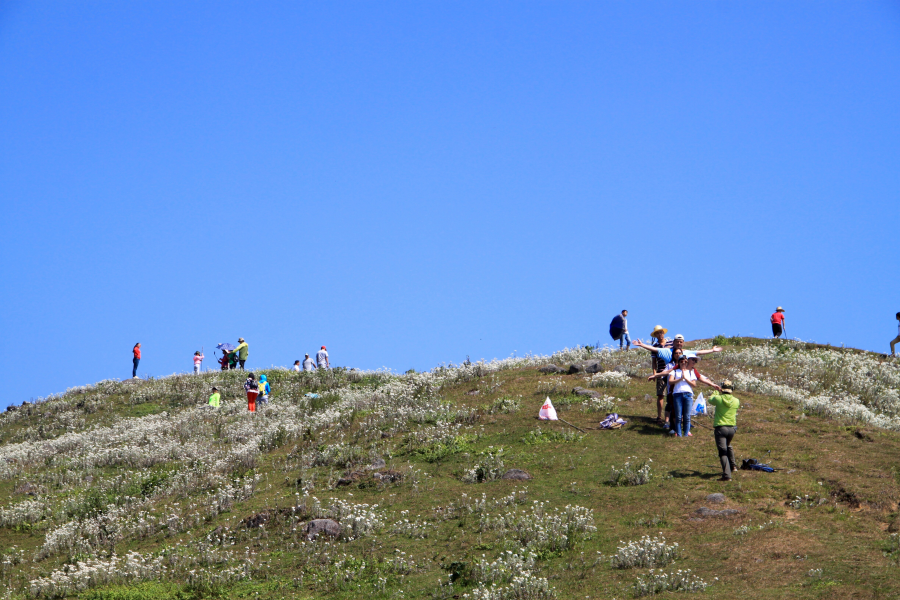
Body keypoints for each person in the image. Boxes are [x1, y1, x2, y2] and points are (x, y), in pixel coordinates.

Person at [668, 355, 721, 438]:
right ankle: (678, 434)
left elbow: (694, 384)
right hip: (677, 394)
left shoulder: (691, 372)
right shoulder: (675, 371)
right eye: (682, 361)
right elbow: (670, 381)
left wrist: (686, 379)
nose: (683, 363)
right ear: (679, 362)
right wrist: (680, 379)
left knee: (687, 416)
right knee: (678, 416)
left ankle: (686, 434)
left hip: (688, 394)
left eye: (685, 361)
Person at [707, 380, 740, 481]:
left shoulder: (718, 399)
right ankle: (733, 466)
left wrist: (716, 391)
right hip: (732, 429)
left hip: (720, 429)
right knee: (728, 446)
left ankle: (727, 475)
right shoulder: (736, 401)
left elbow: (710, 400)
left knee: (722, 452)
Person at [646, 325, 671, 424]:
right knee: (661, 394)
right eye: (658, 333)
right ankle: (659, 417)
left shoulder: (670, 343)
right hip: (660, 372)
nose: (660, 334)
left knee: (672, 395)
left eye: (661, 332)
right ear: (655, 335)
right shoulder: (655, 347)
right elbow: (654, 361)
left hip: (670, 371)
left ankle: (672, 416)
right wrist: (654, 374)